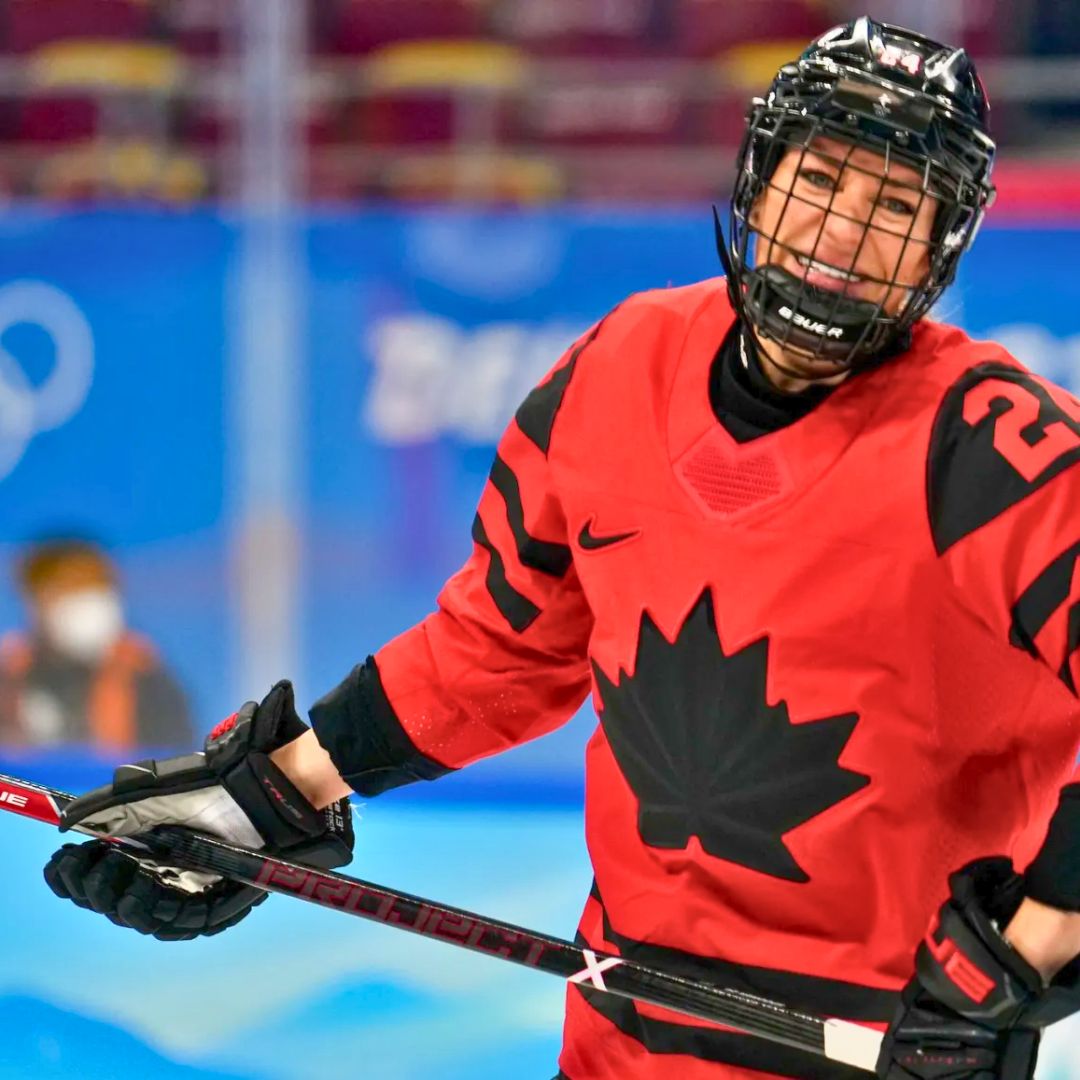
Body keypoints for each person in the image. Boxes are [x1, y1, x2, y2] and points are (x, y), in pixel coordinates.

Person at [39, 16, 1080, 1080]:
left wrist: (1028, 953)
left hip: (885, 1045)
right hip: (618, 1032)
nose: (845, 232)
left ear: (944, 243)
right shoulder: (620, 365)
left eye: (897, 207)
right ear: (761, 181)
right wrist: (270, 798)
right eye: (821, 179)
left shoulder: (999, 449)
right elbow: (497, 652)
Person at [0, 538, 193, 750]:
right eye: (67, 589)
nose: (83, 601)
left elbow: (174, 763)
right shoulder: (10, 675)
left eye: (93, 586)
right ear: (33, 600)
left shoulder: (147, 677)